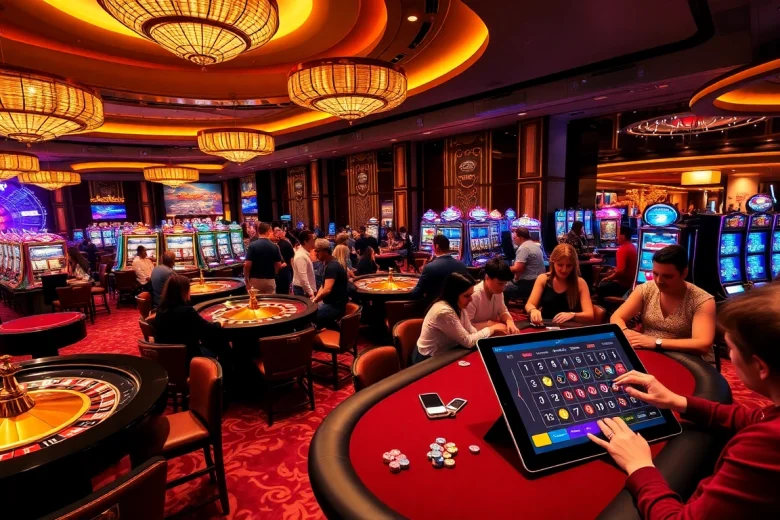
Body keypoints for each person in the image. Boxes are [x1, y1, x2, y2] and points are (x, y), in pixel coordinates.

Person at [589, 283, 780, 519]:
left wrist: (640, 466)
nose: (729, 356)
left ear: (760, 367)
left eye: (730, 348)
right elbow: (755, 417)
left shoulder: (763, 447)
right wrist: (677, 401)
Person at [610, 245, 715, 357]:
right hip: (649, 352)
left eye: (667, 276)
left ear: (684, 273)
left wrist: (656, 342)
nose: (659, 281)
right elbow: (617, 317)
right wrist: (625, 332)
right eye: (655, 274)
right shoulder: (646, 289)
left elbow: (702, 344)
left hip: (686, 358)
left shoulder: (702, 300)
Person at [414, 273, 506, 364]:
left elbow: (471, 331)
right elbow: (468, 342)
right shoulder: (444, 312)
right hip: (427, 360)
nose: (471, 300)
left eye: (471, 295)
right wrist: (492, 329)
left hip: (448, 352)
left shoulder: (459, 306)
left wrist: (488, 334)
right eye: (467, 296)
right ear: (453, 294)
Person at [153, 275, 226, 361]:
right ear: (183, 292)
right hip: (189, 358)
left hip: (165, 358)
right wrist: (219, 323)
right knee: (221, 342)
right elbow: (208, 330)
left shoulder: (160, 310)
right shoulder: (187, 311)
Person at [525, 243, 594, 325]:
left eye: (569, 265)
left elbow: (589, 315)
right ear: (553, 262)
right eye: (560, 265)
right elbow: (529, 304)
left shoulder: (580, 283)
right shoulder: (543, 279)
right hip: (546, 326)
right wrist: (533, 310)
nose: (564, 270)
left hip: (569, 328)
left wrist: (573, 315)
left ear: (574, 266)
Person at [409, 234, 469, 304]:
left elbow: (417, 294)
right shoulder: (462, 265)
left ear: (436, 246)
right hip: (457, 306)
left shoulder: (430, 267)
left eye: (432, 245)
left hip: (434, 306)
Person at [466, 258, 520, 335]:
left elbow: (503, 311)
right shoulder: (473, 295)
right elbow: (466, 327)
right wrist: (490, 325)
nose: (503, 288)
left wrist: (509, 321)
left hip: (491, 334)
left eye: (505, 284)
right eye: (500, 284)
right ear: (487, 278)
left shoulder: (498, 292)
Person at [311, 239, 349, 329]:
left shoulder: (332, 266)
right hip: (331, 304)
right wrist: (315, 299)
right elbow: (323, 286)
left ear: (325, 251)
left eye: (317, 251)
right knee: (312, 312)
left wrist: (315, 301)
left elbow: (327, 290)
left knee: (310, 316)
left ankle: (336, 332)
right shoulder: (328, 264)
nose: (315, 253)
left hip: (335, 307)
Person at [597, 226, 637, 303]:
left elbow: (620, 272)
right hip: (631, 284)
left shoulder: (622, 250)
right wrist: (614, 270)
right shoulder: (633, 247)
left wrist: (608, 278)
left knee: (602, 284)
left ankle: (602, 307)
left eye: (618, 235)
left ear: (623, 236)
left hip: (623, 285)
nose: (616, 237)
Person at [505, 227, 546, 301]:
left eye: (514, 238)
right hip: (538, 280)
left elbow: (518, 268)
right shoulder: (534, 245)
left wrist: (505, 269)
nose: (513, 240)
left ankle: (502, 308)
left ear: (521, 238)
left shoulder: (524, 248)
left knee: (503, 287)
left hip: (528, 283)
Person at [244, 222, 283, 294]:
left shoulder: (252, 245)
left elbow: (247, 265)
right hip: (270, 279)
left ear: (258, 231)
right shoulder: (275, 246)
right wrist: (274, 274)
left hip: (255, 279)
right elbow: (279, 265)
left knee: (255, 300)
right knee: (270, 300)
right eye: (271, 231)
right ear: (268, 231)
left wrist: (246, 280)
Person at [292, 230, 317, 299]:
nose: (314, 241)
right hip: (303, 290)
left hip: (304, 289)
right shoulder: (301, 256)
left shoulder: (304, 254)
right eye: (313, 239)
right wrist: (310, 292)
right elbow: (303, 278)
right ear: (306, 241)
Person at [273, 226, 294, 295]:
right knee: (285, 293)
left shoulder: (276, 246)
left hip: (281, 272)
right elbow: (292, 256)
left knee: (279, 294)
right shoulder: (287, 243)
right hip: (287, 271)